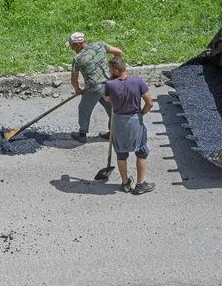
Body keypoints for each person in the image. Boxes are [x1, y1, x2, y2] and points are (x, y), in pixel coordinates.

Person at [103, 56, 155, 195]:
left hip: (118, 122)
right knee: (142, 152)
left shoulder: (110, 85)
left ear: (115, 71)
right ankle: (140, 184)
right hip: (135, 121)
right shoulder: (138, 82)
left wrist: (111, 83)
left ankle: (125, 183)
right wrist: (141, 114)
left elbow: (107, 98)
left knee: (121, 154)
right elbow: (149, 103)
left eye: (109, 69)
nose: (108, 71)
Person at [66, 32, 123, 143]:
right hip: (109, 84)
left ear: (77, 44)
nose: (72, 49)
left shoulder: (77, 58)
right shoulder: (99, 45)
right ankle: (113, 133)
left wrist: (77, 89)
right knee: (112, 108)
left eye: (72, 46)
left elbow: (74, 79)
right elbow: (119, 52)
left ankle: (82, 134)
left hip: (94, 88)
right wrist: (114, 67)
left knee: (84, 109)